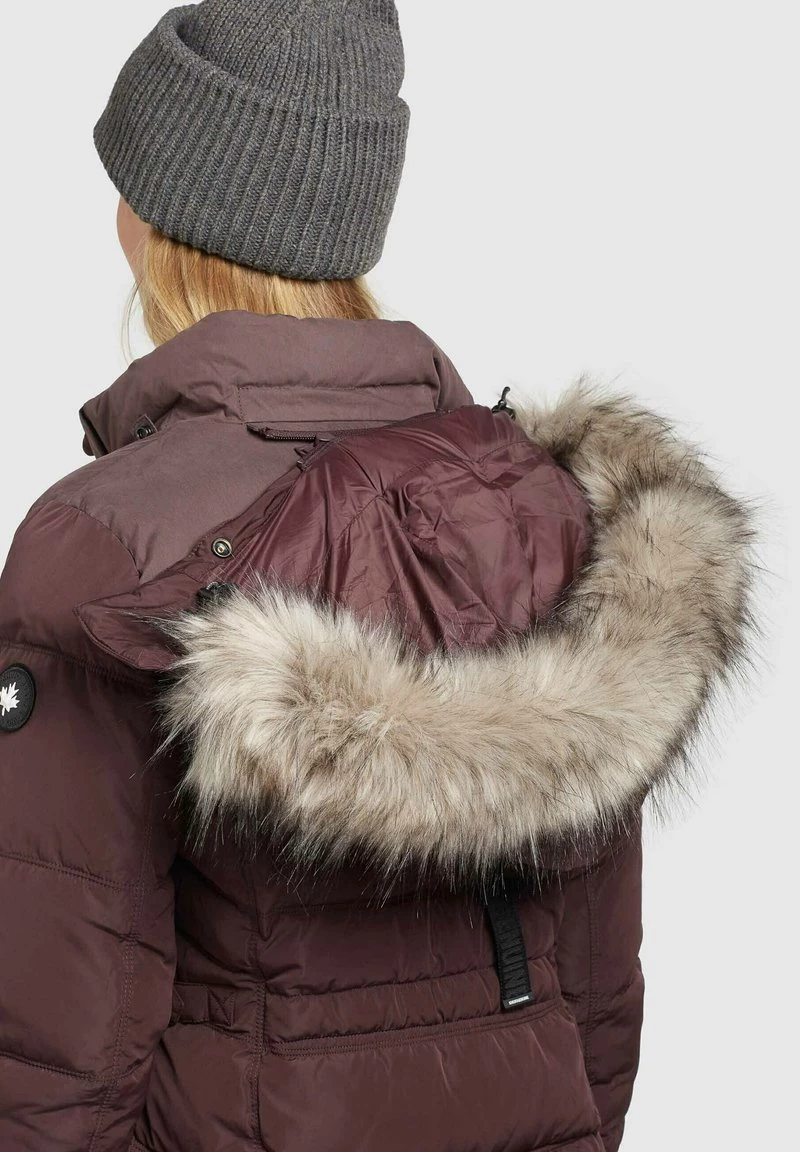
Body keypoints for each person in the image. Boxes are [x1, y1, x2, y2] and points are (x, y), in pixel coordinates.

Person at [0, 4, 753, 1151]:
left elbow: (58, 1034)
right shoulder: (547, 513)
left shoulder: (110, 542)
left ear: (157, 217)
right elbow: (595, 995)